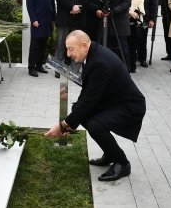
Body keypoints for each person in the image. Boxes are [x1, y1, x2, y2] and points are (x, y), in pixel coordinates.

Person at [44, 30, 146, 182]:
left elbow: (89, 101)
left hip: (129, 106)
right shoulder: (93, 54)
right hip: (113, 101)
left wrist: (63, 126)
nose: (68, 53)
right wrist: (72, 120)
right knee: (80, 113)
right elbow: (87, 93)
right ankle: (110, 153)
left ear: (84, 46)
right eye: (67, 48)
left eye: (70, 49)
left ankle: (122, 163)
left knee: (95, 124)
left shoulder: (99, 62)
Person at [93, 0, 132, 67]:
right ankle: (110, 68)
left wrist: (114, 10)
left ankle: (125, 69)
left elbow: (127, 3)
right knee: (108, 45)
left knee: (122, 46)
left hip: (120, 21)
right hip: (108, 19)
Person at [54, 0, 89, 70]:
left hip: (79, 19)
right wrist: (72, 7)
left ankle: (75, 69)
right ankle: (58, 68)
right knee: (61, 44)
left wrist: (79, 8)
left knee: (77, 45)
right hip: (64, 18)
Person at [25, 0, 56, 77]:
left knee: (43, 44)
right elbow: (30, 6)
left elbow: (52, 2)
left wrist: (54, 18)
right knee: (34, 45)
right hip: (37, 21)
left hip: (47, 21)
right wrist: (34, 20)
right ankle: (31, 67)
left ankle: (39, 65)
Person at [134, 0, 157, 67]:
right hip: (133, 18)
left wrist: (152, 19)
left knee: (143, 39)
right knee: (133, 39)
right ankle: (133, 58)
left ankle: (142, 58)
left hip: (145, 19)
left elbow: (153, 5)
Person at [125, 0, 145, 73]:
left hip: (135, 20)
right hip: (124, 20)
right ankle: (125, 65)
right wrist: (129, 12)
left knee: (133, 45)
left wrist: (138, 12)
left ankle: (132, 66)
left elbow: (141, 2)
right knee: (125, 45)